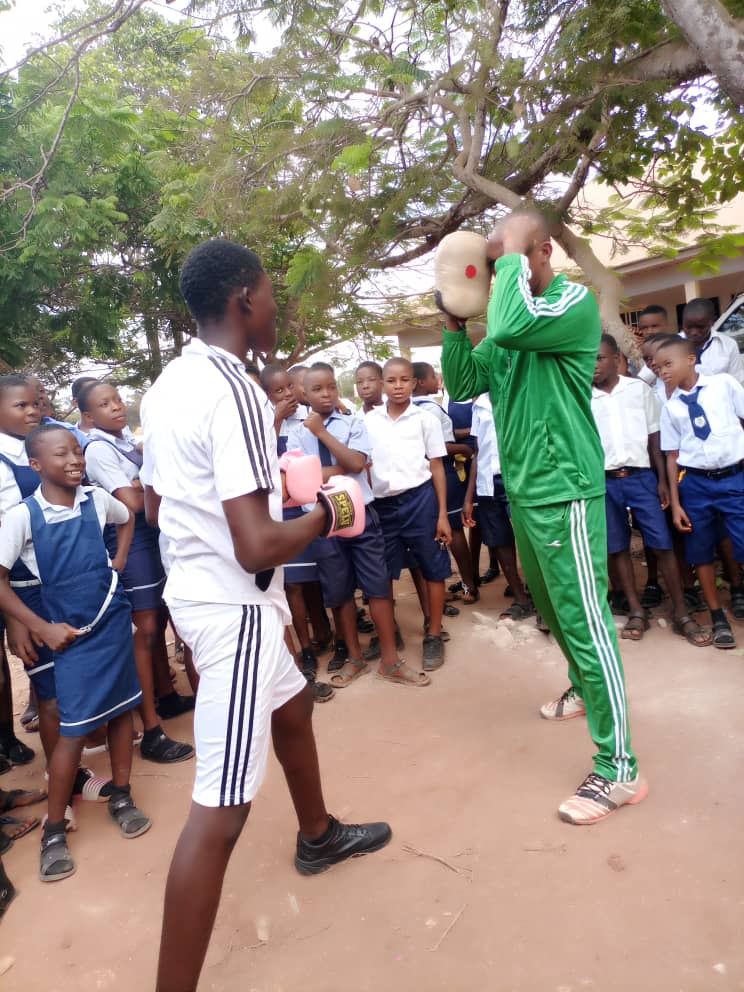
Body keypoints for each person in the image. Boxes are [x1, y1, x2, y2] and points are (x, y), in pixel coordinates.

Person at [140, 239, 391, 992]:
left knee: (291, 705)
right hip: (236, 604)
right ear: (243, 298)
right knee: (220, 811)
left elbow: (160, 505)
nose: (277, 305)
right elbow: (257, 546)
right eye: (271, 291)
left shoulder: (168, 384)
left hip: (197, 592)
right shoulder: (236, 393)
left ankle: (318, 834)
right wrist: (324, 511)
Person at [441, 208, 646, 825]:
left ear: (543, 250)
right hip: (524, 491)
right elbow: (461, 380)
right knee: (553, 612)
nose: (501, 269)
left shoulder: (570, 305)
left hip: (565, 489)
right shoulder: (507, 326)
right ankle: (584, 690)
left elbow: (509, 321)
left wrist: (503, 263)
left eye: (512, 255)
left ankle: (620, 769)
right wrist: (454, 324)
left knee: (586, 622)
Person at [0, 423, 151, 881]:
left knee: (124, 708)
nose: (74, 461)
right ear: (35, 465)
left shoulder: (95, 499)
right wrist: (39, 625)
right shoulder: (23, 517)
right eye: (61, 455)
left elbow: (126, 516)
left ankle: (122, 795)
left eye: (77, 453)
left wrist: (119, 560)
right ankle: (54, 829)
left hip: (108, 620)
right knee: (73, 728)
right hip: (68, 634)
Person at [290, 362, 429, 687]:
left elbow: (355, 462)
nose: (326, 394)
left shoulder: (352, 423)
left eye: (331, 387)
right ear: (305, 394)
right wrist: (335, 468)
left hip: (361, 514)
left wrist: (321, 435)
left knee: (378, 587)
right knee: (339, 594)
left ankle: (391, 661)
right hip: (324, 520)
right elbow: (298, 479)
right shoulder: (296, 432)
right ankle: (354, 658)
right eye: (317, 389)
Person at [78, 381, 194, 764]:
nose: (115, 407)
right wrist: (153, 484)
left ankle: (166, 695)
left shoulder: (126, 442)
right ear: (88, 417)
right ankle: (151, 730)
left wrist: (143, 484)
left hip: (154, 538)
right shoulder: (97, 449)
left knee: (159, 620)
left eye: (116, 399)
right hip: (133, 544)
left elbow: (141, 491)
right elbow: (130, 503)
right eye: (103, 404)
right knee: (144, 632)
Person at [591, 335, 710, 647]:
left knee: (662, 543)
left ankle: (681, 612)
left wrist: (660, 480)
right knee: (616, 547)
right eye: (587, 359)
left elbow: (654, 436)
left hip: (641, 477)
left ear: (616, 358)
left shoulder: (638, 390)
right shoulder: (582, 397)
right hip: (603, 481)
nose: (593, 365)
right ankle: (635, 610)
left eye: (600, 358)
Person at [658, 336, 744, 649]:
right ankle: (718, 616)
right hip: (694, 484)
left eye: (668, 364)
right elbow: (671, 456)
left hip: (735, 478)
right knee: (701, 551)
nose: (662, 371)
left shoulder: (724, 385)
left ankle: (738, 593)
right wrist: (677, 503)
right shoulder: (670, 408)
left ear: (691, 359)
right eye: (657, 367)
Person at [365, 357, 451, 671]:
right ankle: (391, 633)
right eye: (391, 381)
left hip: (421, 501)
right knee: (382, 573)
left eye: (404, 380)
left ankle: (433, 633)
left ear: (413, 383)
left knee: (433, 566)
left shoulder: (424, 419)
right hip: (383, 506)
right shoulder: (370, 421)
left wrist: (442, 513)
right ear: (381, 384)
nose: (398, 386)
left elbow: (437, 466)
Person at [258, 364, 335, 687]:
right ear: (267, 395)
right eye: (278, 390)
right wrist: (275, 418)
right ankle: (304, 649)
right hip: (282, 511)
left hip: (312, 505)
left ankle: (326, 635)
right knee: (294, 584)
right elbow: (262, 456)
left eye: (289, 386)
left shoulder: (309, 416)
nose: (287, 394)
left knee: (318, 578)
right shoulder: (264, 421)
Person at [411, 362, 478, 602]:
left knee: (436, 530)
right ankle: (470, 585)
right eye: (432, 376)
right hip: (443, 473)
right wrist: (465, 449)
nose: (436, 379)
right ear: (420, 381)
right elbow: (442, 447)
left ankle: (449, 585)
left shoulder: (408, 408)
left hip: (421, 475)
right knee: (455, 528)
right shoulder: (429, 408)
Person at [462, 392, 532, 618]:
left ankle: (543, 601)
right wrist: (469, 497)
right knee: (499, 540)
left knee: (532, 539)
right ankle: (520, 599)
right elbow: (478, 450)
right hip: (487, 483)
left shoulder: (522, 392)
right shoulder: (479, 403)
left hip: (521, 479)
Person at [681, 297, 744, 384]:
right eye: (688, 327)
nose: (694, 332)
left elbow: (736, 382)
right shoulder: (671, 345)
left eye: (700, 327)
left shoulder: (728, 345)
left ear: (712, 321)